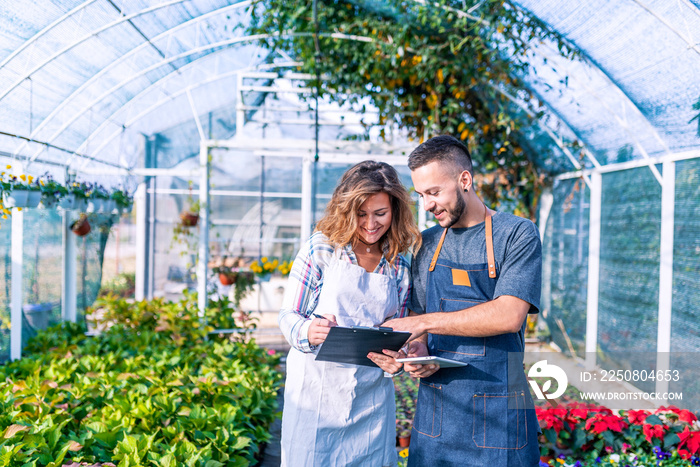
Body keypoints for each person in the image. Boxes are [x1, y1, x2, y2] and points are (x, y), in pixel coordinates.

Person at [383, 135, 542, 466]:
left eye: (434, 192)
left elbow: (509, 315)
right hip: (438, 416)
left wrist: (423, 323)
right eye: (421, 194)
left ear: (464, 180)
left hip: (500, 413)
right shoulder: (425, 244)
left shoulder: (516, 234)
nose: (426, 204)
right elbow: (418, 315)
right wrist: (419, 351)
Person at [278, 160, 421, 467]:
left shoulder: (398, 265)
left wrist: (399, 356)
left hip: (371, 402)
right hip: (316, 398)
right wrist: (308, 331)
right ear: (346, 210)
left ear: (395, 210)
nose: (371, 223)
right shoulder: (322, 249)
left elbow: (401, 331)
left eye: (380, 213)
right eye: (361, 214)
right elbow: (288, 315)